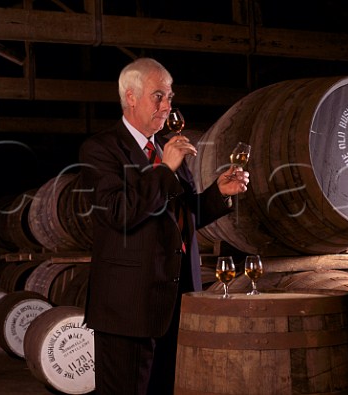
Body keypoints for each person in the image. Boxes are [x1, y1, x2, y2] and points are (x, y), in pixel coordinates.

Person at [78, 57, 249, 395]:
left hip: (176, 299)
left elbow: (181, 219)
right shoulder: (101, 149)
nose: (167, 106)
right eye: (159, 96)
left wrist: (218, 193)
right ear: (130, 96)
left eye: (170, 97)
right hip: (127, 309)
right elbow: (119, 213)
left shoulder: (166, 150)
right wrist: (164, 170)